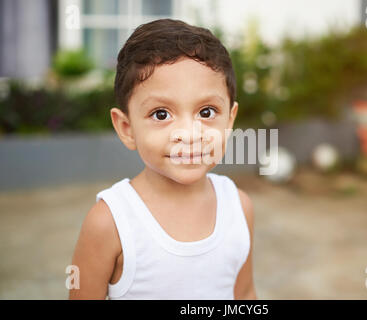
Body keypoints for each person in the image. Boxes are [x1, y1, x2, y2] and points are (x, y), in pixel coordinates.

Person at [69, 19, 257, 300]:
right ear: (127, 128)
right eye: (161, 114)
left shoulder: (239, 207)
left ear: (229, 120)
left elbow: (244, 294)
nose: (189, 134)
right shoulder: (109, 223)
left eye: (206, 112)